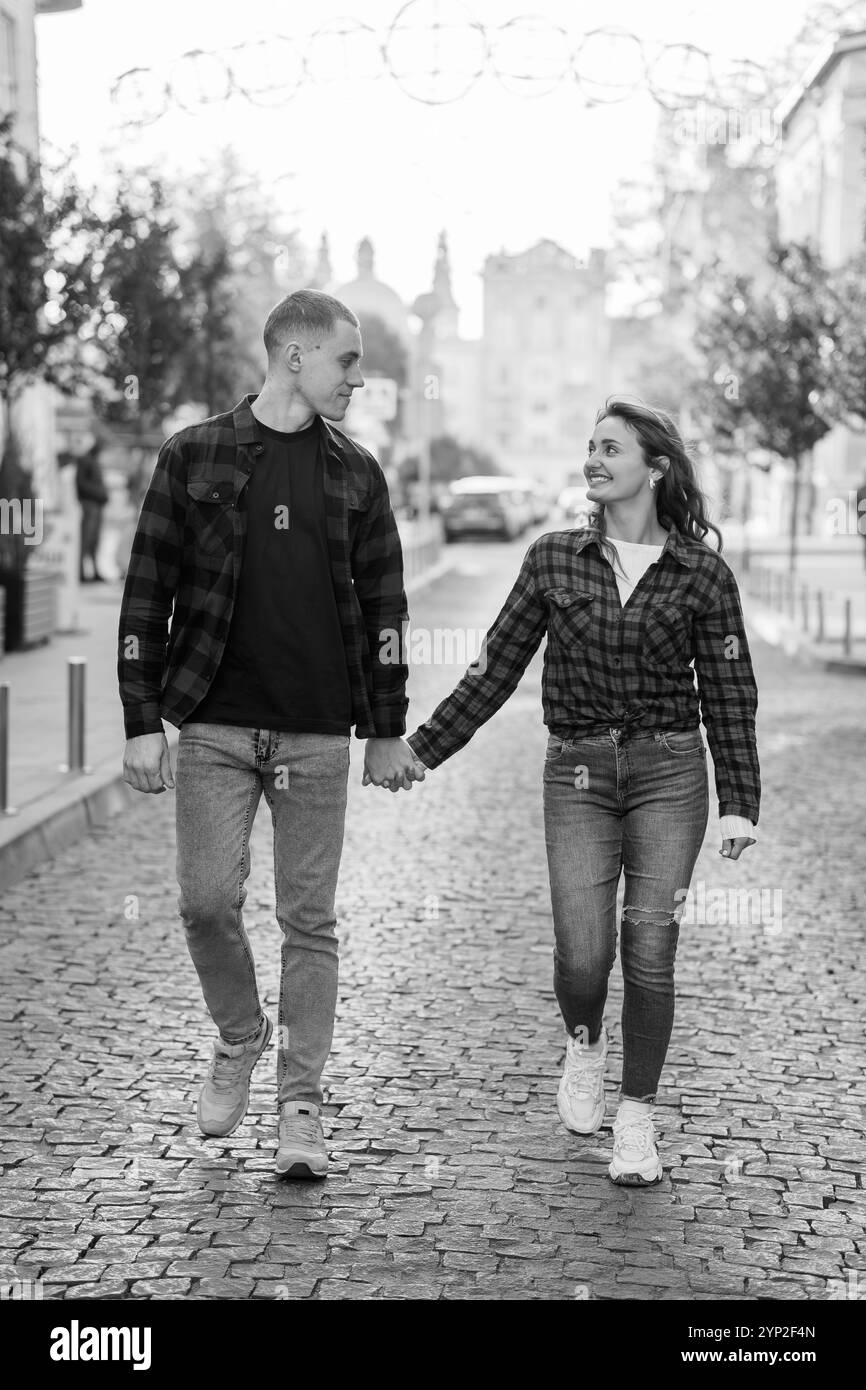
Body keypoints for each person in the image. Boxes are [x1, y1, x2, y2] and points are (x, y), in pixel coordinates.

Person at [390, 397, 760, 1187]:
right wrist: (423, 749)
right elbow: (494, 666)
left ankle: (637, 1119)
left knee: (651, 949)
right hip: (579, 772)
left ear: (656, 468)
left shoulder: (702, 573)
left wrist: (740, 800)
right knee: (585, 954)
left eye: (611, 448)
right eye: (589, 447)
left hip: (669, 770)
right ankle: (585, 1044)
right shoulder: (554, 558)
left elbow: (730, 689)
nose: (592, 459)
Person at [117, 290, 420, 1179]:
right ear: (295, 355)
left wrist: (387, 728)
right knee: (206, 902)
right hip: (213, 723)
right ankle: (240, 1035)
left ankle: (300, 1107)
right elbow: (146, 592)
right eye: (347, 361)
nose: (358, 379)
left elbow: (387, 610)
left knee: (308, 922)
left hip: (318, 731)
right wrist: (143, 722)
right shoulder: (195, 452)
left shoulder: (358, 474)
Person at [76, 439, 109, 582]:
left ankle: (94, 570)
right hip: (90, 505)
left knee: (95, 540)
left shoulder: (94, 461)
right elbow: (81, 483)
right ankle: (80, 572)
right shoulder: (85, 460)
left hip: (97, 505)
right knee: (86, 539)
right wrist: (99, 494)